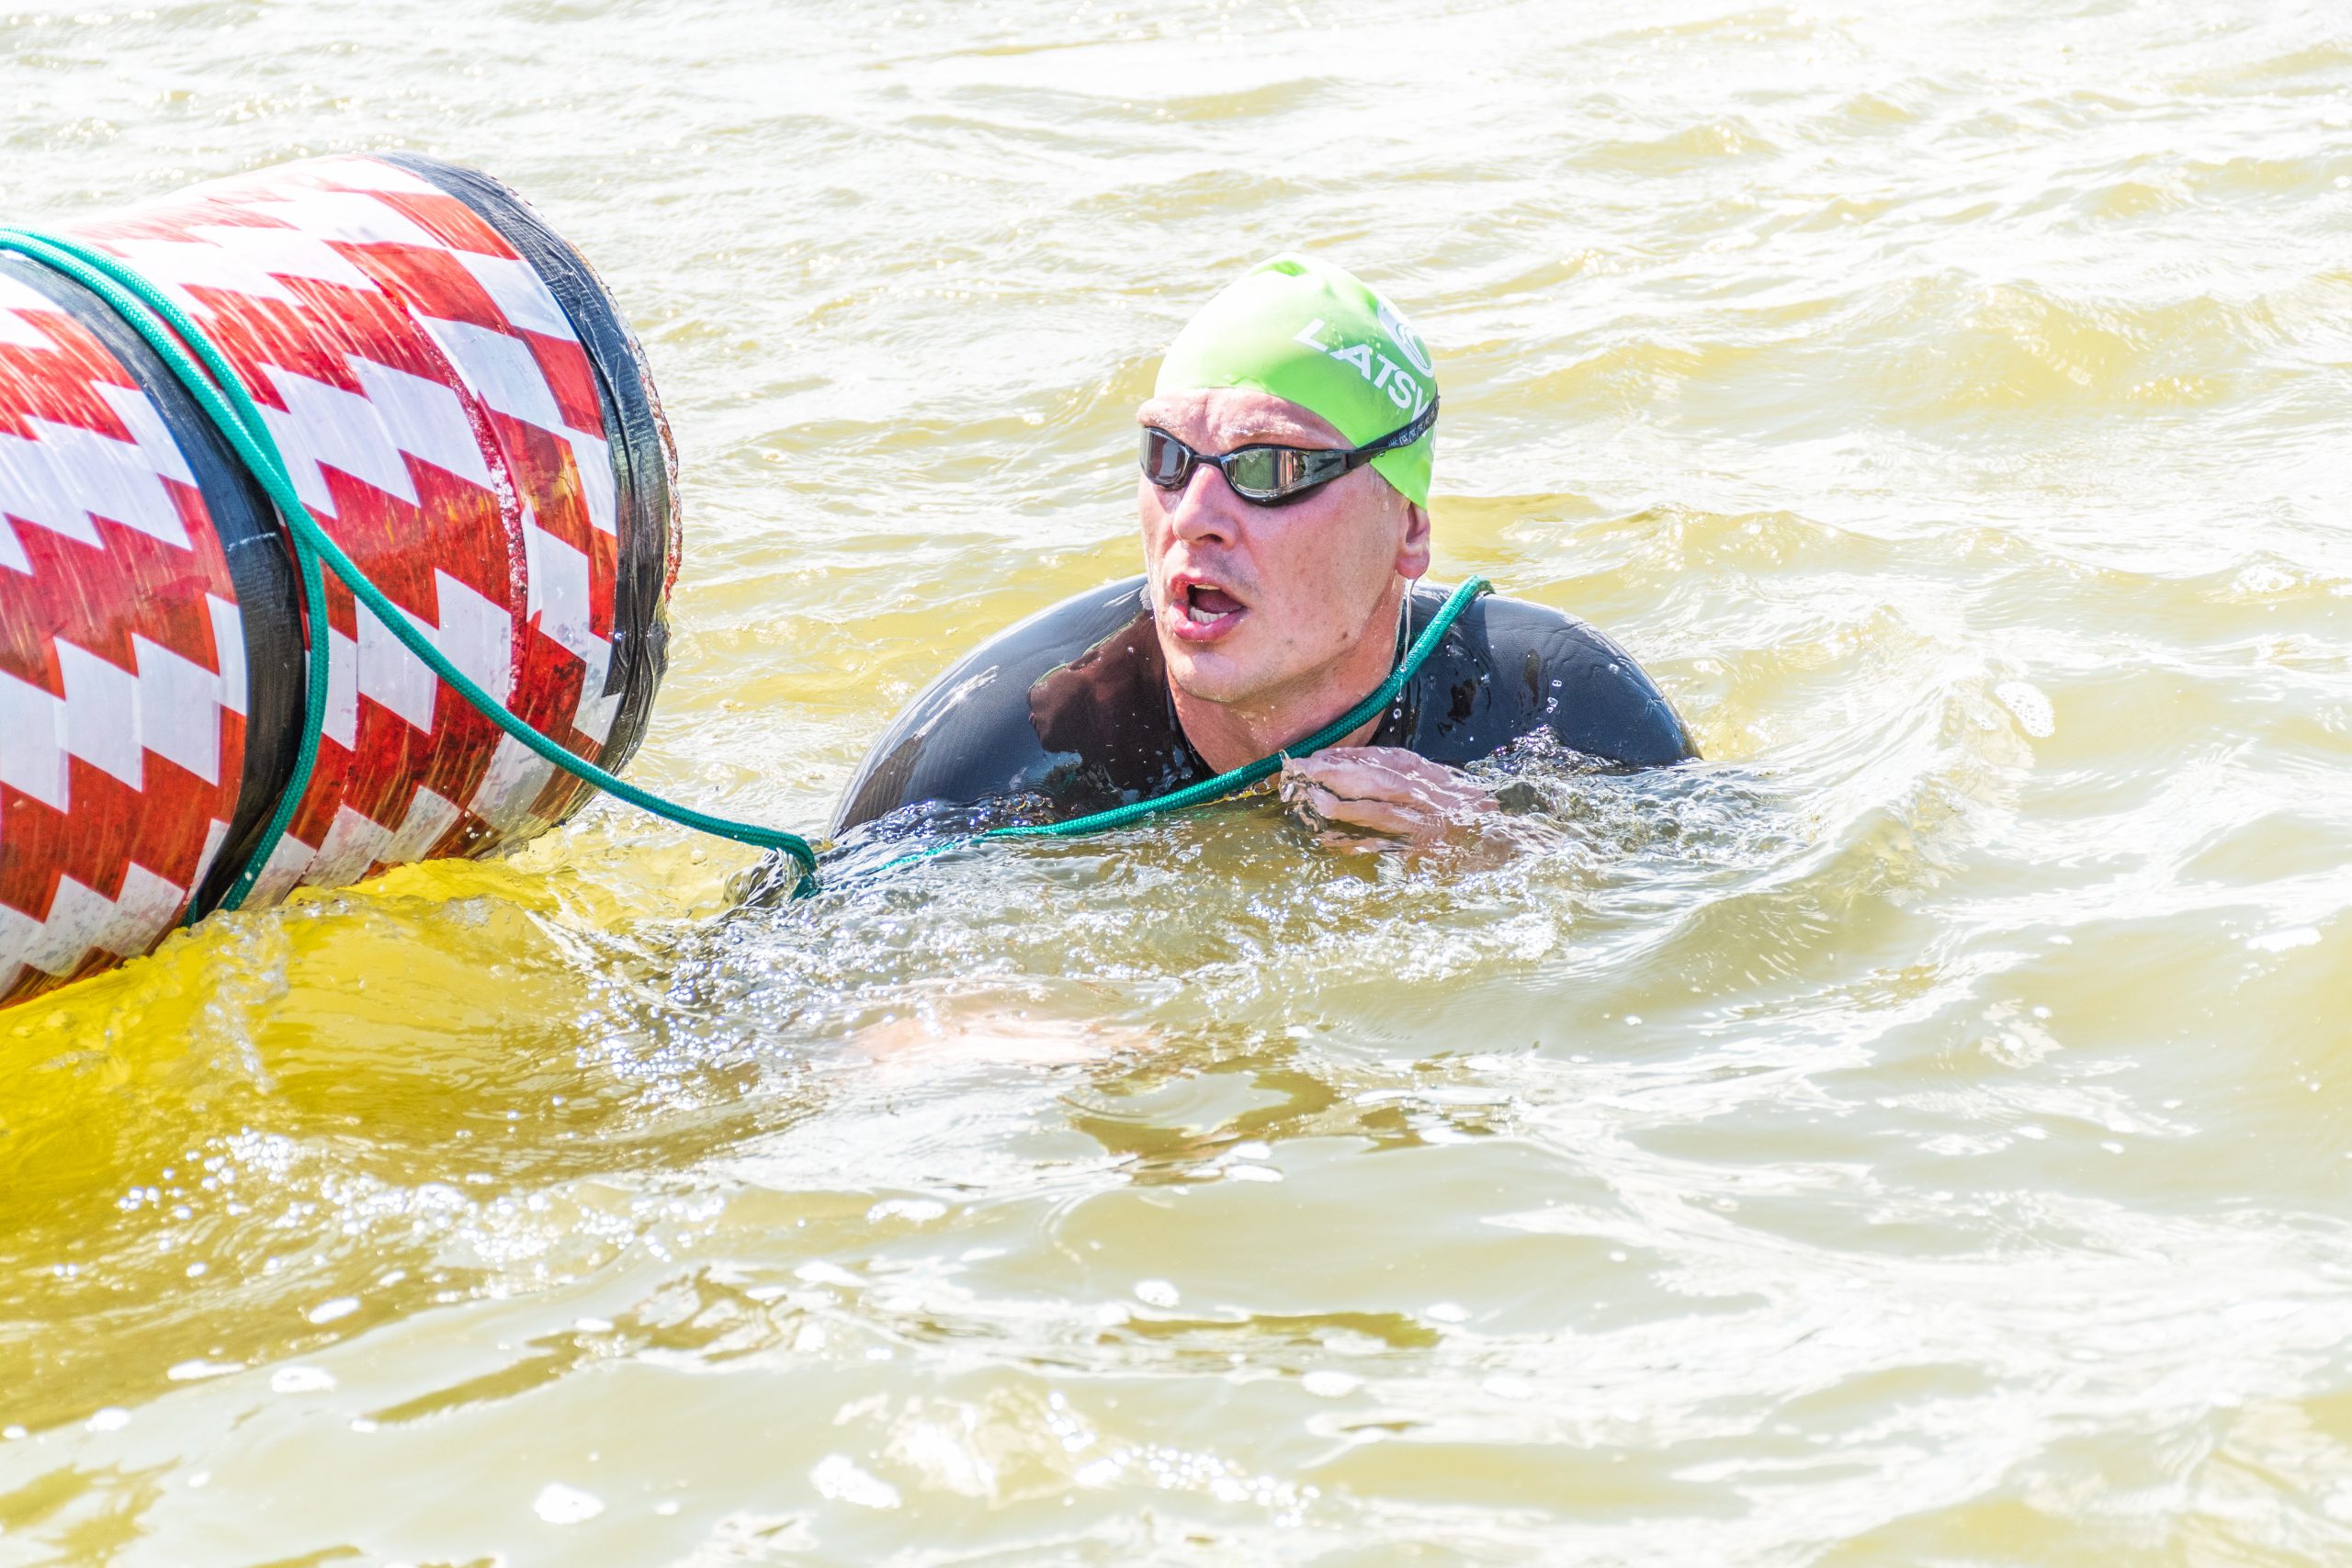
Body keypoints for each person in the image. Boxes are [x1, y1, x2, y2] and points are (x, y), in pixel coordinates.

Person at [832, 254, 1693, 848]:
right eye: (1168, 456)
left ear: (1409, 528)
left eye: (1271, 468)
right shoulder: (996, 748)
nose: (1193, 515)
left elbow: (1718, 922)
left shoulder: (1556, 701)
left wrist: (1505, 853)